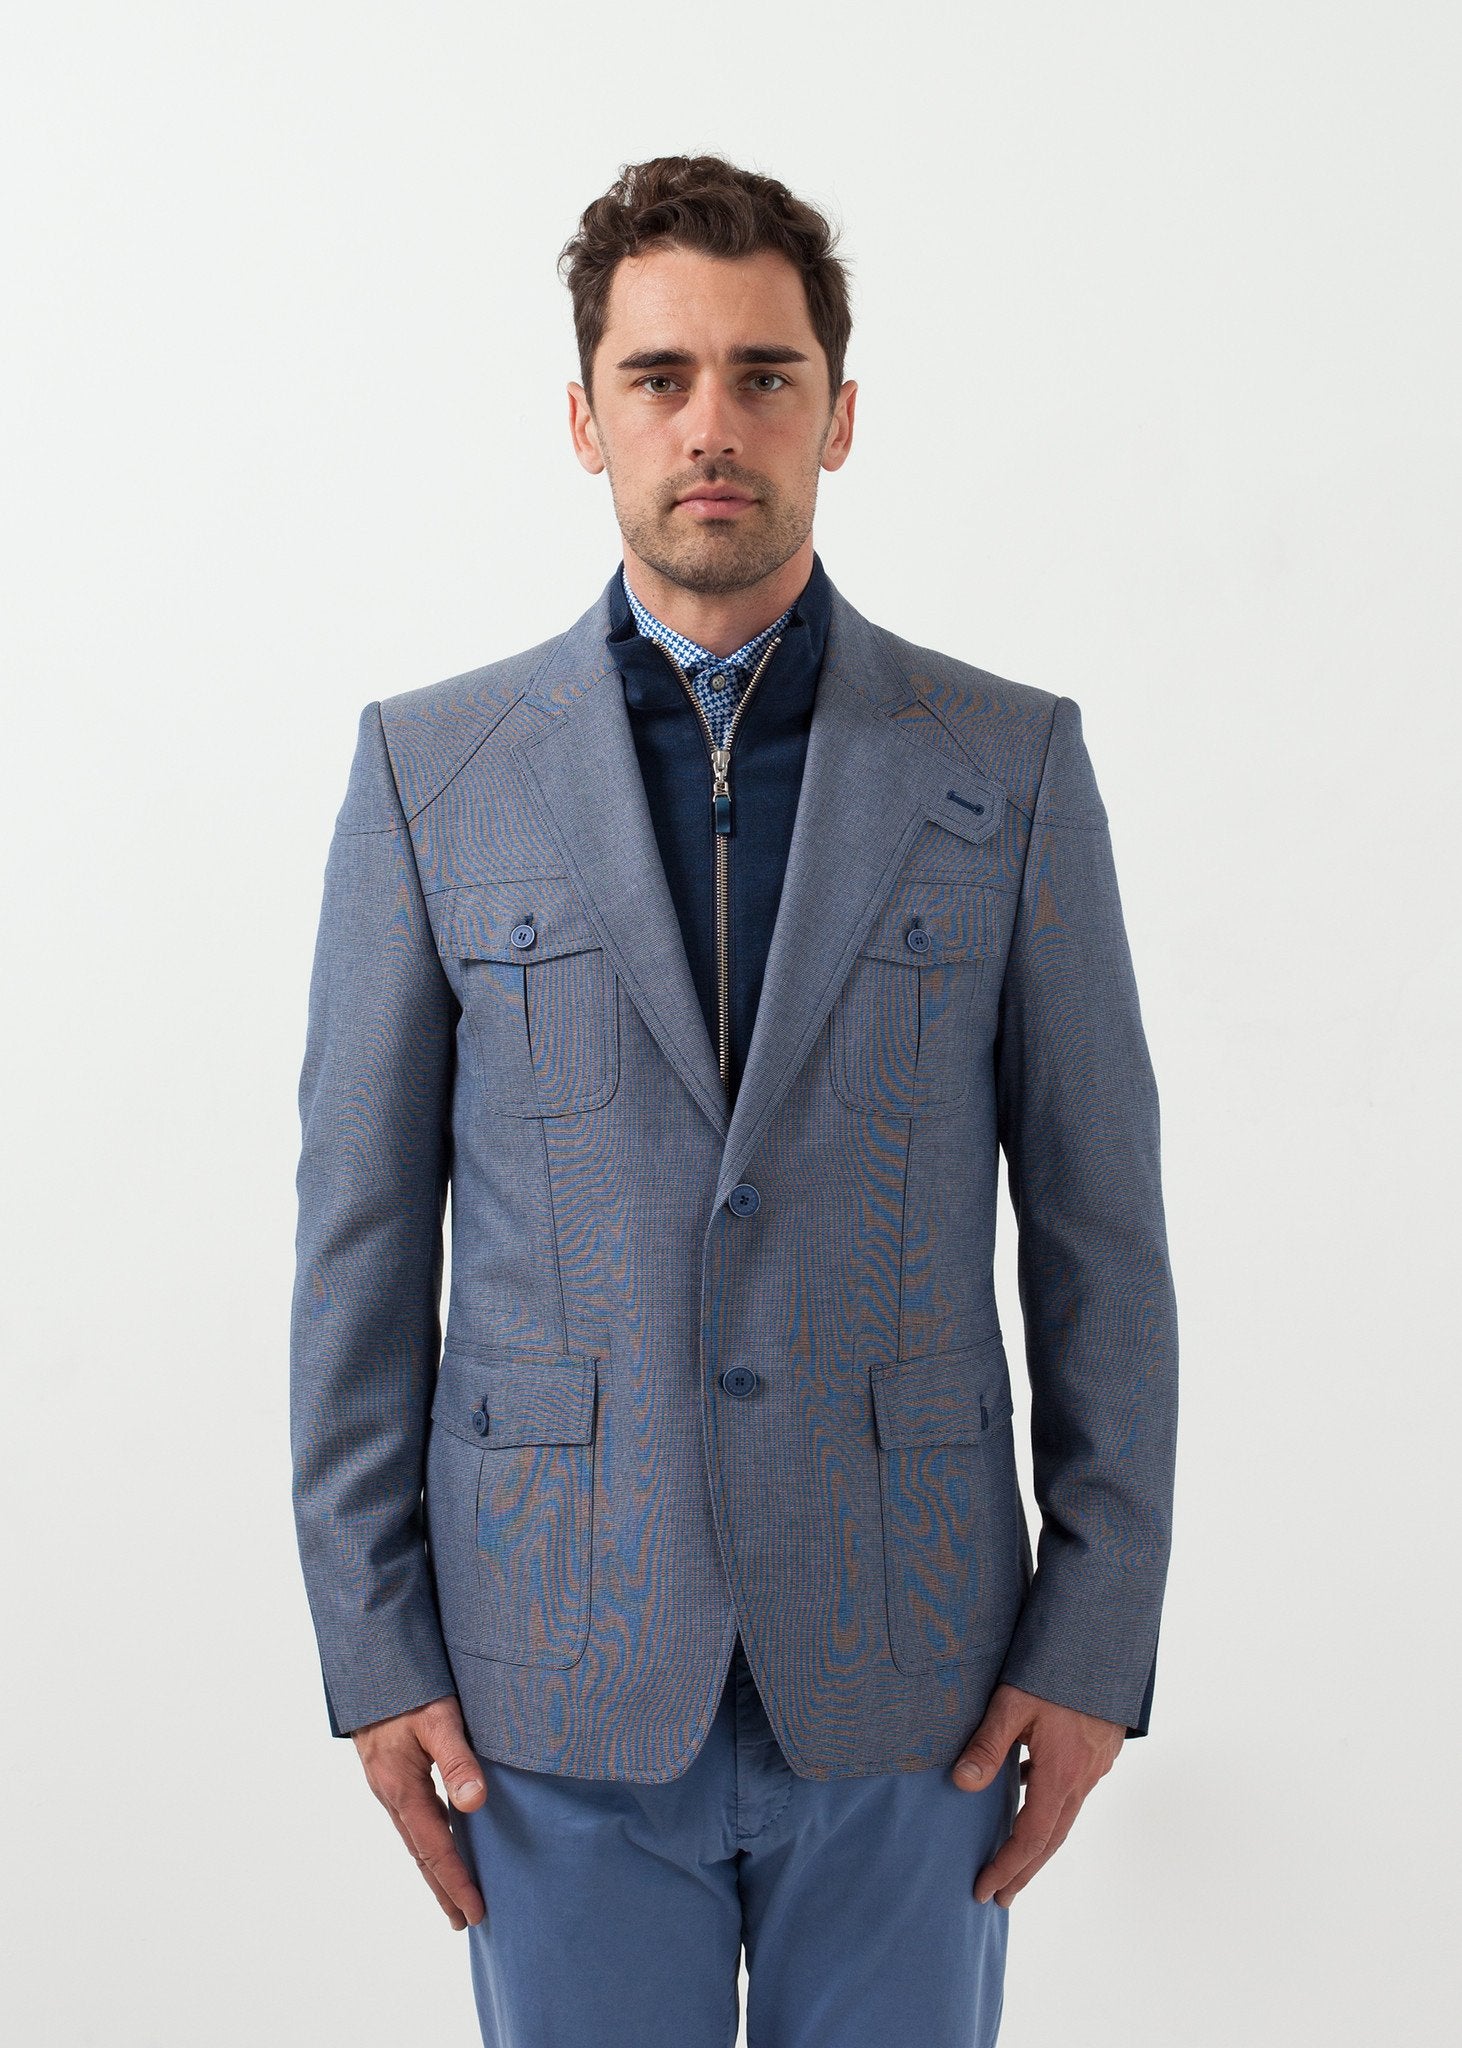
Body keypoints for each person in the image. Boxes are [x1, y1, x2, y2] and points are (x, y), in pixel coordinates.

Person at [289, 152, 1179, 2048]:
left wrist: (1097, 1636)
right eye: (660, 376)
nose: (713, 423)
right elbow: (356, 1247)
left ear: (836, 417)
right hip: (547, 1675)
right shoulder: (433, 773)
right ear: (585, 419)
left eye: (765, 376)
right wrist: (372, 1644)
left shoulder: (1006, 763)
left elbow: (1100, 1231)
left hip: (917, 1673)